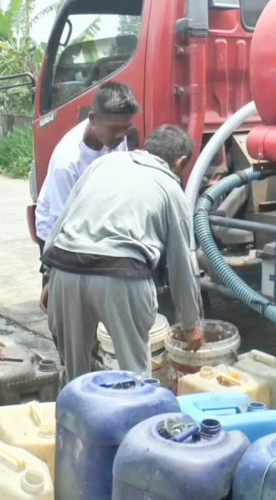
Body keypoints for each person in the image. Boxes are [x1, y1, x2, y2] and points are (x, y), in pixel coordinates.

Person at [43, 125, 204, 381]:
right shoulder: (171, 189)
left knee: (76, 378)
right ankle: (135, 419)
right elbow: (181, 265)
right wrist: (190, 324)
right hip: (121, 275)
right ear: (181, 162)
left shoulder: (104, 164)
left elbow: (64, 218)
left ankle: (72, 419)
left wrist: (49, 276)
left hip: (66, 268)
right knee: (135, 379)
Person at [35, 81, 140, 251]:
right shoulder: (68, 162)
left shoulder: (116, 137)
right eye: (115, 129)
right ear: (93, 119)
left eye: (126, 128)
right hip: (57, 231)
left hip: (92, 220)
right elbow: (63, 222)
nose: (122, 135)